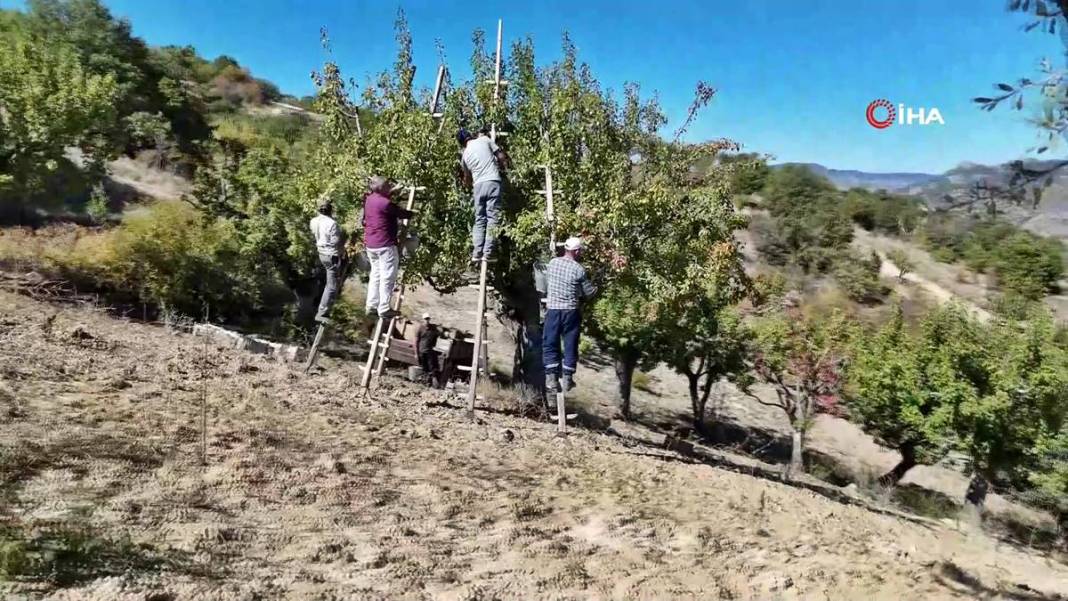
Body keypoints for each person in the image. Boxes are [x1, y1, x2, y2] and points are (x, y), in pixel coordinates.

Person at [542, 236, 597, 393]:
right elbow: (589, 293)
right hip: (570, 312)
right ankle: (567, 378)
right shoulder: (579, 269)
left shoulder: (552, 263)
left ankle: (551, 378)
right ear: (577, 251)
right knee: (570, 344)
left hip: (552, 310)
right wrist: (596, 287)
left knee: (550, 343)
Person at [363, 176, 413, 320]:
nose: (389, 186)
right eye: (387, 185)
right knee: (388, 276)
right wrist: (413, 214)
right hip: (385, 245)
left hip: (371, 244)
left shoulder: (370, 199)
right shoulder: (385, 203)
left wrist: (393, 191)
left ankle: (371, 306)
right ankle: (384, 308)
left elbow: (383, 199)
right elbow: (401, 213)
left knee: (376, 275)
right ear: (380, 188)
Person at [458, 127, 509, 264]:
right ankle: (488, 252)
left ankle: (477, 252)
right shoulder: (485, 140)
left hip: (478, 186)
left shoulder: (465, 155)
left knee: (479, 219)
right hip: (492, 181)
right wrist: (505, 168)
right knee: (492, 217)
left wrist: (469, 187)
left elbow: (466, 178)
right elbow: (500, 156)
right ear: (471, 135)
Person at [309, 195, 343, 323]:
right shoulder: (332, 223)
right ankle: (322, 312)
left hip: (321, 253)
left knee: (330, 282)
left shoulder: (313, 221)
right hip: (331, 254)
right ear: (330, 211)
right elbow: (335, 241)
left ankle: (322, 309)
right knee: (332, 286)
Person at [415, 312, 441, 388]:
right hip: (421, 351)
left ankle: (429, 383)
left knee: (431, 367)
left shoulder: (433, 328)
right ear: (423, 319)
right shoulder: (419, 328)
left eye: (428, 319)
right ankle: (425, 383)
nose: (427, 320)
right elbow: (416, 341)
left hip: (429, 351)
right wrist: (416, 353)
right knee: (424, 367)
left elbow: (439, 334)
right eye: (425, 319)